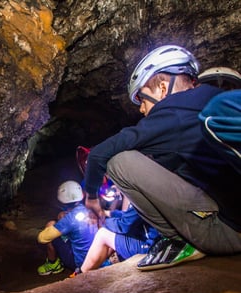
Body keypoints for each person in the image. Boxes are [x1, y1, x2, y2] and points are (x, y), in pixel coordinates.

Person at [83, 44, 241, 271]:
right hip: (230, 217)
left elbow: (99, 154)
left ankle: (179, 241)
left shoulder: (171, 114)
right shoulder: (212, 99)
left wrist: (90, 199)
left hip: (226, 234)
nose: (141, 109)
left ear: (162, 86)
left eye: (142, 99)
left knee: (120, 162)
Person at [73, 193, 159, 275]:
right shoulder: (142, 190)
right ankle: (103, 263)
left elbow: (124, 226)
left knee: (102, 234)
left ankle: (81, 274)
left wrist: (101, 222)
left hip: (152, 247)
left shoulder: (138, 196)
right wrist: (107, 213)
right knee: (111, 230)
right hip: (156, 239)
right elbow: (129, 215)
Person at [37, 180, 109, 276]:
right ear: (81, 196)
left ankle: (53, 263)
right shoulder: (91, 208)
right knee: (62, 219)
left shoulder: (69, 219)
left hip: (81, 263)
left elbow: (42, 238)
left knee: (50, 225)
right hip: (100, 258)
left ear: (61, 202)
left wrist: (57, 227)